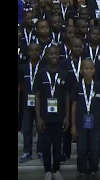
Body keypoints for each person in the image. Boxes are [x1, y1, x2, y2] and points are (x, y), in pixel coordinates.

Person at [34, 45, 69, 180]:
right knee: (45, 145)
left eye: (56, 54)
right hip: (45, 117)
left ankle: (56, 169)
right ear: (46, 56)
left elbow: (66, 95)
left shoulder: (64, 73)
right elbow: (37, 95)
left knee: (57, 144)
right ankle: (47, 170)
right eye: (51, 54)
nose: (54, 56)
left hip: (60, 117)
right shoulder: (41, 73)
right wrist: (38, 117)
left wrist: (67, 116)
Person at [71, 59, 100, 180]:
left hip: (95, 124)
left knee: (95, 148)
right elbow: (74, 105)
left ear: (94, 70)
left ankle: (93, 169)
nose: (89, 70)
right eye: (86, 68)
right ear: (81, 71)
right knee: (81, 149)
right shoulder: (76, 86)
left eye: (91, 68)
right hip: (80, 124)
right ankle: (82, 170)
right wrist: (73, 125)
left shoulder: (98, 86)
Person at [18, 43, 46, 164]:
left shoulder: (44, 67)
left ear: (40, 52)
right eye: (31, 51)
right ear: (28, 52)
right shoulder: (23, 68)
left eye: (36, 50)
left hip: (41, 102)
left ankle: (40, 150)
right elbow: (20, 86)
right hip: (27, 103)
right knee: (27, 128)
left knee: (41, 128)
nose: (34, 53)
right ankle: (27, 152)